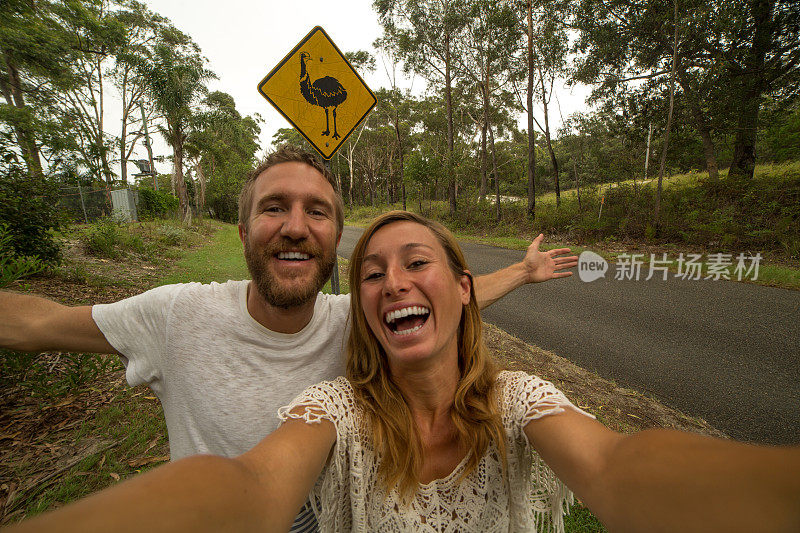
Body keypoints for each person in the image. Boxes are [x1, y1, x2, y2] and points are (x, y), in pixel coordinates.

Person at [6, 210, 800, 533]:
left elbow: (620, 465)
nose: (391, 282)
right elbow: (249, 486)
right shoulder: (332, 409)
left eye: (414, 263)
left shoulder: (518, 399)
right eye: (373, 273)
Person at [0, 146, 578, 531]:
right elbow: (34, 324)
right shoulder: (174, 315)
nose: (296, 226)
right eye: (274, 207)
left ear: (334, 236)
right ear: (245, 228)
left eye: (317, 212)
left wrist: (523, 273)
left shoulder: (360, 318)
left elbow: (437, 298)